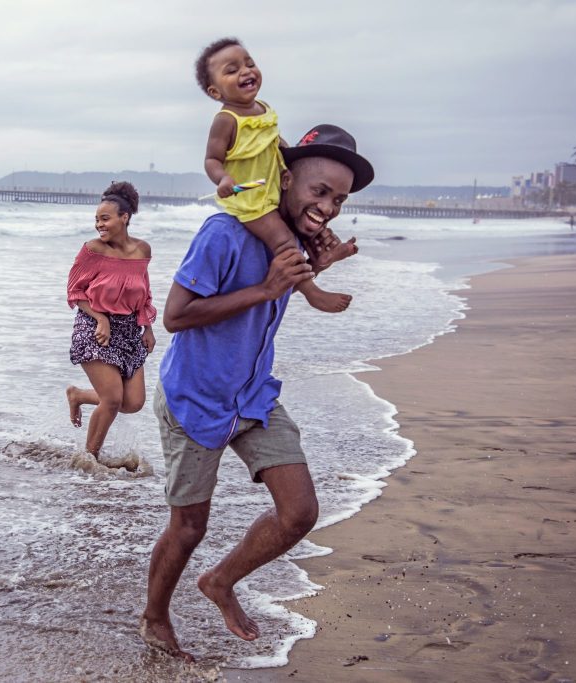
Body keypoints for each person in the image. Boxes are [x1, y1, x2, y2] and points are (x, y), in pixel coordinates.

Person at [140, 125, 375, 661]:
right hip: (195, 398)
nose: (330, 207)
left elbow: (294, 274)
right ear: (285, 178)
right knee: (189, 526)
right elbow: (175, 316)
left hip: (253, 396)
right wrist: (266, 290)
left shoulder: (292, 240)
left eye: (339, 199)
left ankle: (220, 582)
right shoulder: (223, 233)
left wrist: (322, 265)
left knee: (299, 514)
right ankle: (155, 616)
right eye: (320, 192)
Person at [195, 37, 359, 314]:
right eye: (232, 70)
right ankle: (313, 293)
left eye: (249, 64)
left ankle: (316, 267)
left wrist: (320, 262)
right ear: (215, 91)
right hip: (250, 197)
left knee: (292, 235)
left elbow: (273, 141)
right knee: (283, 240)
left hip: (267, 189)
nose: (246, 72)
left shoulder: (264, 108)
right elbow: (212, 158)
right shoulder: (226, 120)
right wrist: (222, 179)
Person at [66, 181, 157, 462]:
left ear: (124, 218)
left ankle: (78, 395)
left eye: (105, 219)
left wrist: (148, 326)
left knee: (133, 403)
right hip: (94, 327)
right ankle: (89, 460)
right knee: (113, 399)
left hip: (129, 329)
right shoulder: (92, 250)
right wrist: (100, 317)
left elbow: (144, 291)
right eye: (96, 220)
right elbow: (74, 291)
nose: (99, 225)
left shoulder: (142, 250)